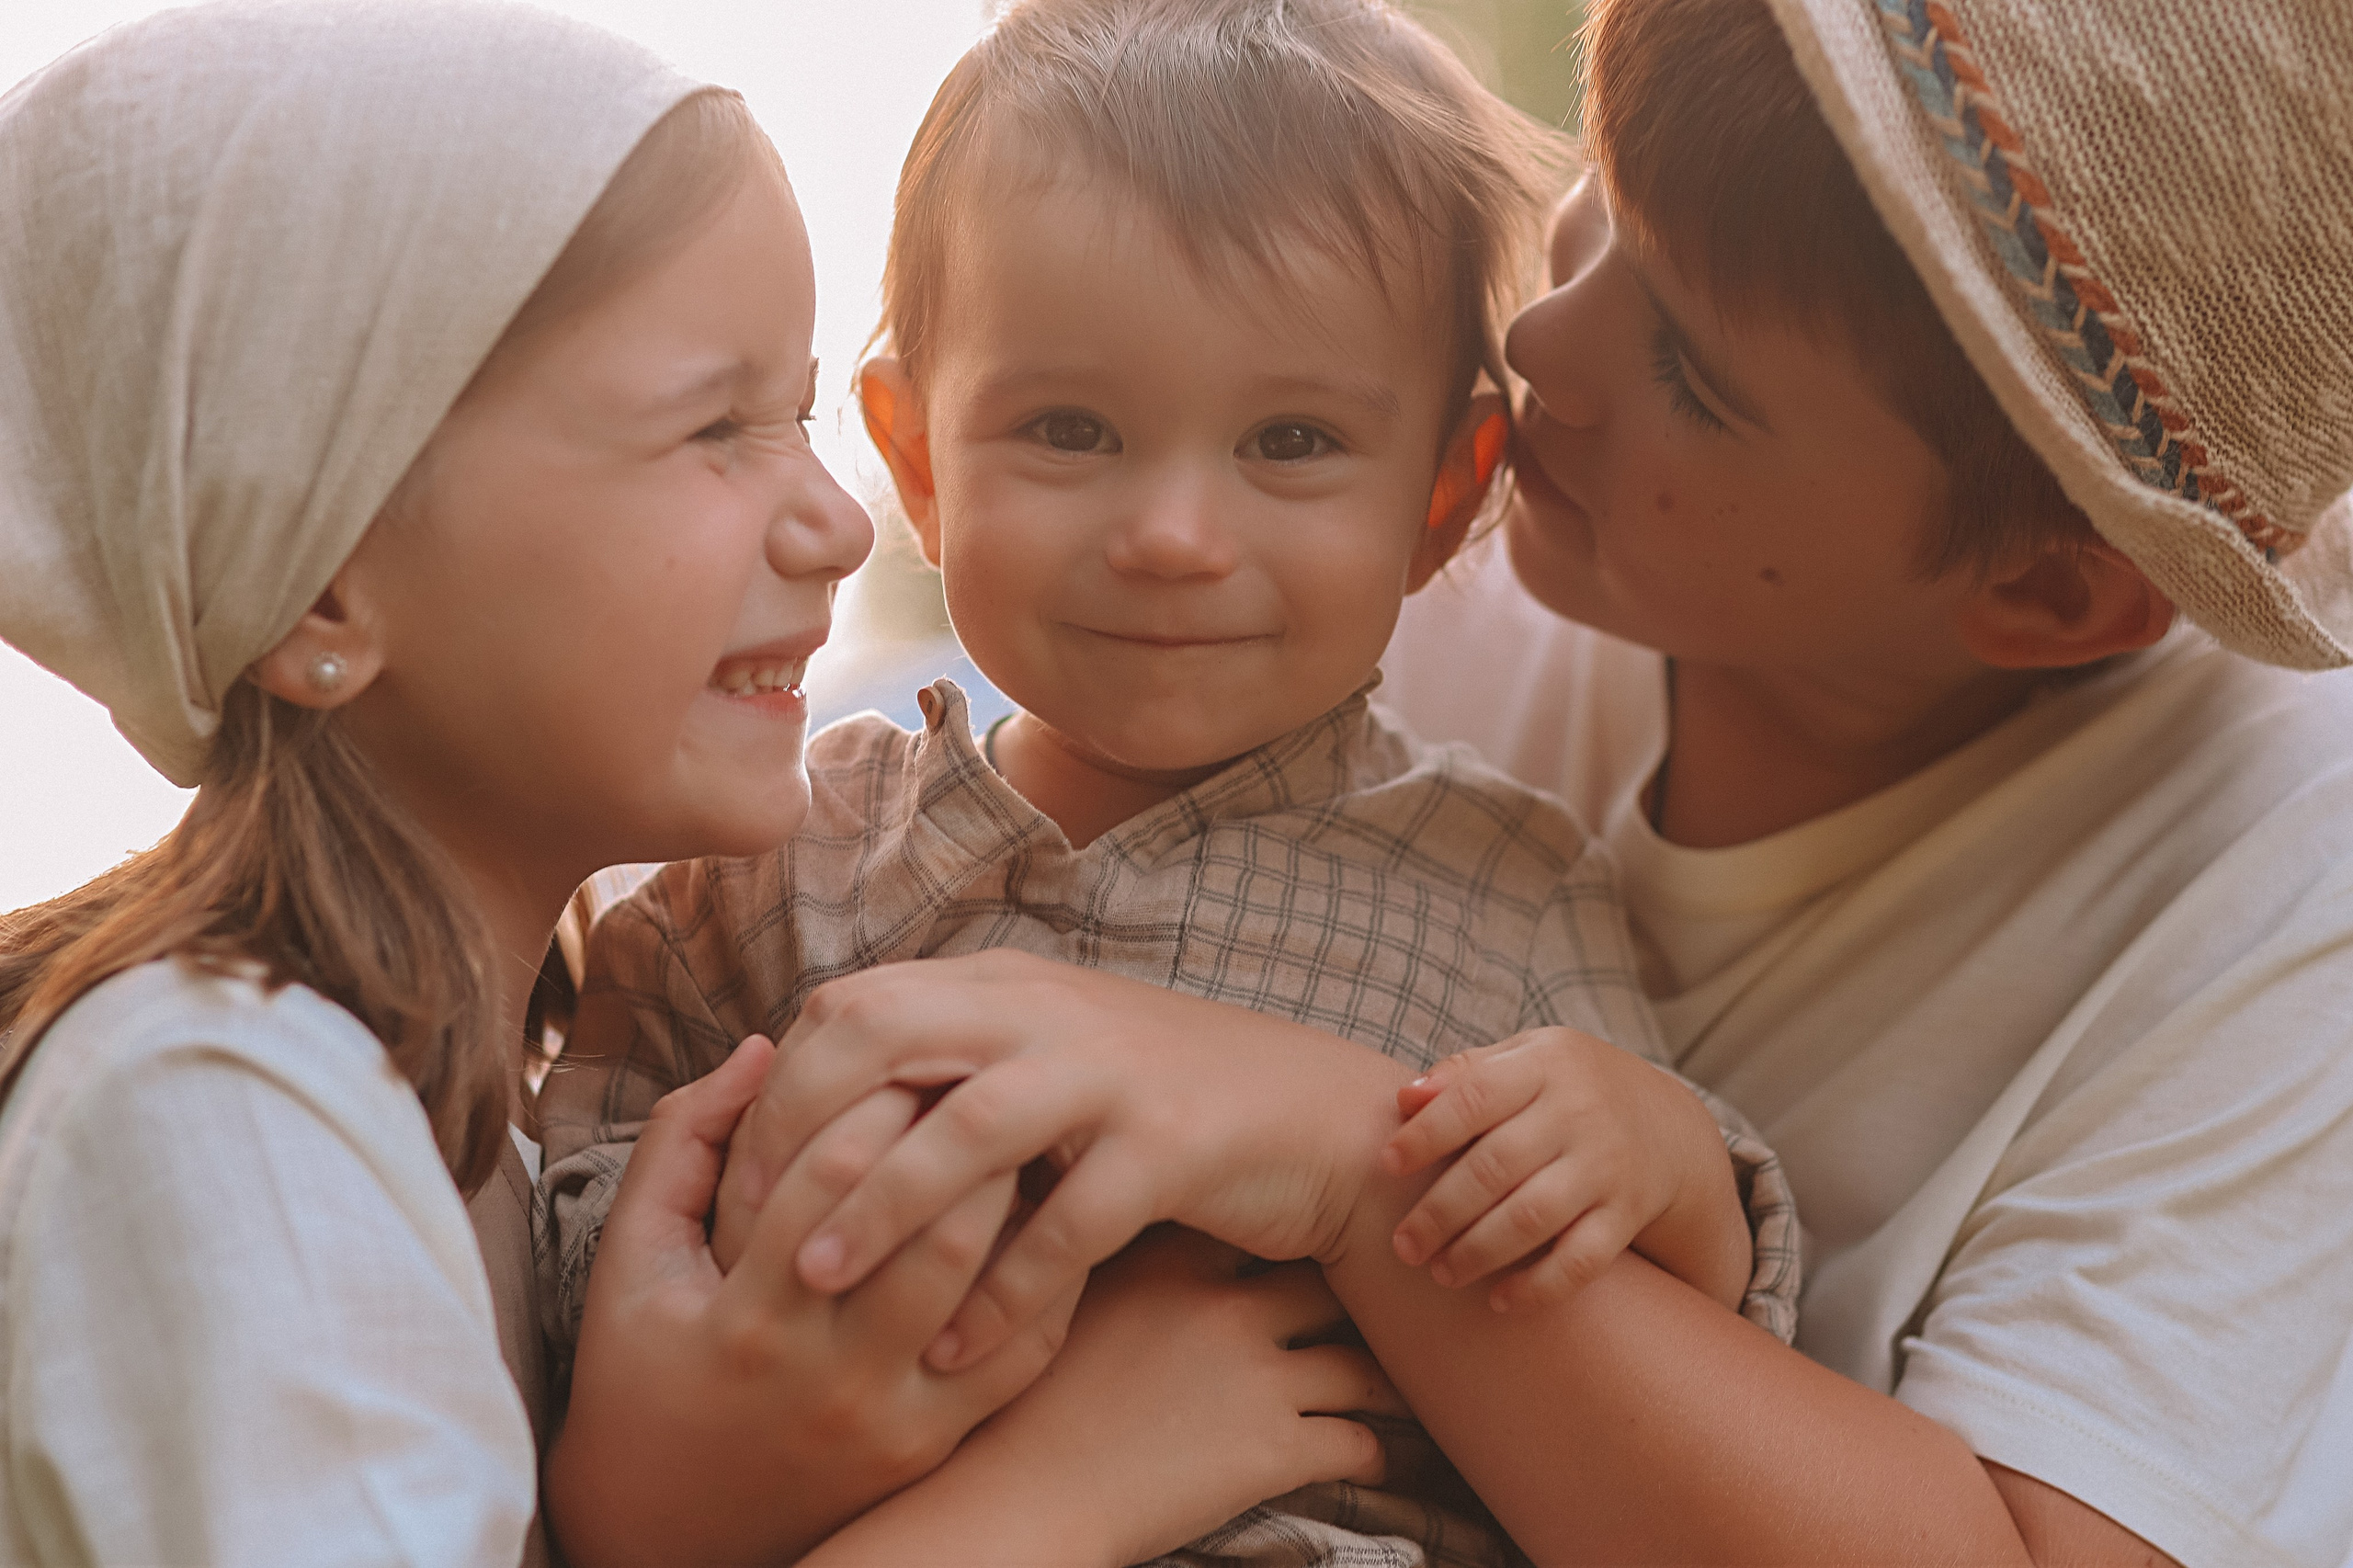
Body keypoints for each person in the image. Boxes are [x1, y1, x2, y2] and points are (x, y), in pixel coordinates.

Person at [688, 0, 2353, 1563]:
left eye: (1696, 373)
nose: (1546, 338)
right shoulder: (1392, 544)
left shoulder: (2289, 872)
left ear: (2048, 597)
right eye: (1606, 201)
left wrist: (1349, 1149)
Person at [0, 6, 1408, 1566]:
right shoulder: (221, 1122)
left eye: (798, 415)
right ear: (327, 586)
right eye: (712, 428)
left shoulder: (490, 1118)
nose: (838, 524)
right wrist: (1056, 1497)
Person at [539, 3, 1796, 1555]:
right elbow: (575, 1233)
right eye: (1072, 429)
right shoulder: (770, 855)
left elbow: (1688, 1325)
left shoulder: (1507, 887)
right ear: (921, 460)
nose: (1175, 534)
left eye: (1290, 439)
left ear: (1445, 492)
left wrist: (1659, 1155)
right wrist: (799, 1231)